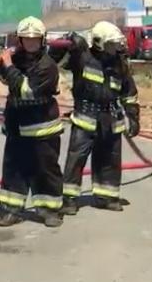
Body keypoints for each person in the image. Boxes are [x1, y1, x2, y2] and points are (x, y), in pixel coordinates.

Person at [50, 21, 140, 214]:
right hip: (85, 118)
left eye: (116, 44)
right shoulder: (81, 57)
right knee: (76, 160)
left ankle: (107, 197)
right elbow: (54, 58)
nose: (115, 48)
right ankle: (69, 199)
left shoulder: (119, 64)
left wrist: (133, 117)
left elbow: (129, 93)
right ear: (99, 43)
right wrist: (67, 42)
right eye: (111, 44)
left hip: (111, 119)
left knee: (109, 160)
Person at [0, 17, 64, 228]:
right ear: (20, 40)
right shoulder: (17, 59)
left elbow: (27, 91)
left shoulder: (48, 66)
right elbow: (5, 79)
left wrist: (8, 65)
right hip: (16, 125)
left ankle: (50, 210)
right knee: (13, 170)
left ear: (42, 40)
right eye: (26, 38)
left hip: (42, 128)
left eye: (35, 39)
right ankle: (11, 210)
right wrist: (3, 64)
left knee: (45, 170)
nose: (31, 42)